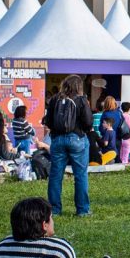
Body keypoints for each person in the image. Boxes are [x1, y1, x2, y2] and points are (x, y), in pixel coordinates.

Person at [43, 75, 93, 216]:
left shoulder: (55, 99)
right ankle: (83, 210)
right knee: (80, 175)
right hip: (77, 138)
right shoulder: (81, 100)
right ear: (79, 86)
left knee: (55, 176)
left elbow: (49, 121)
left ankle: (54, 210)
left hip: (58, 139)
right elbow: (89, 122)